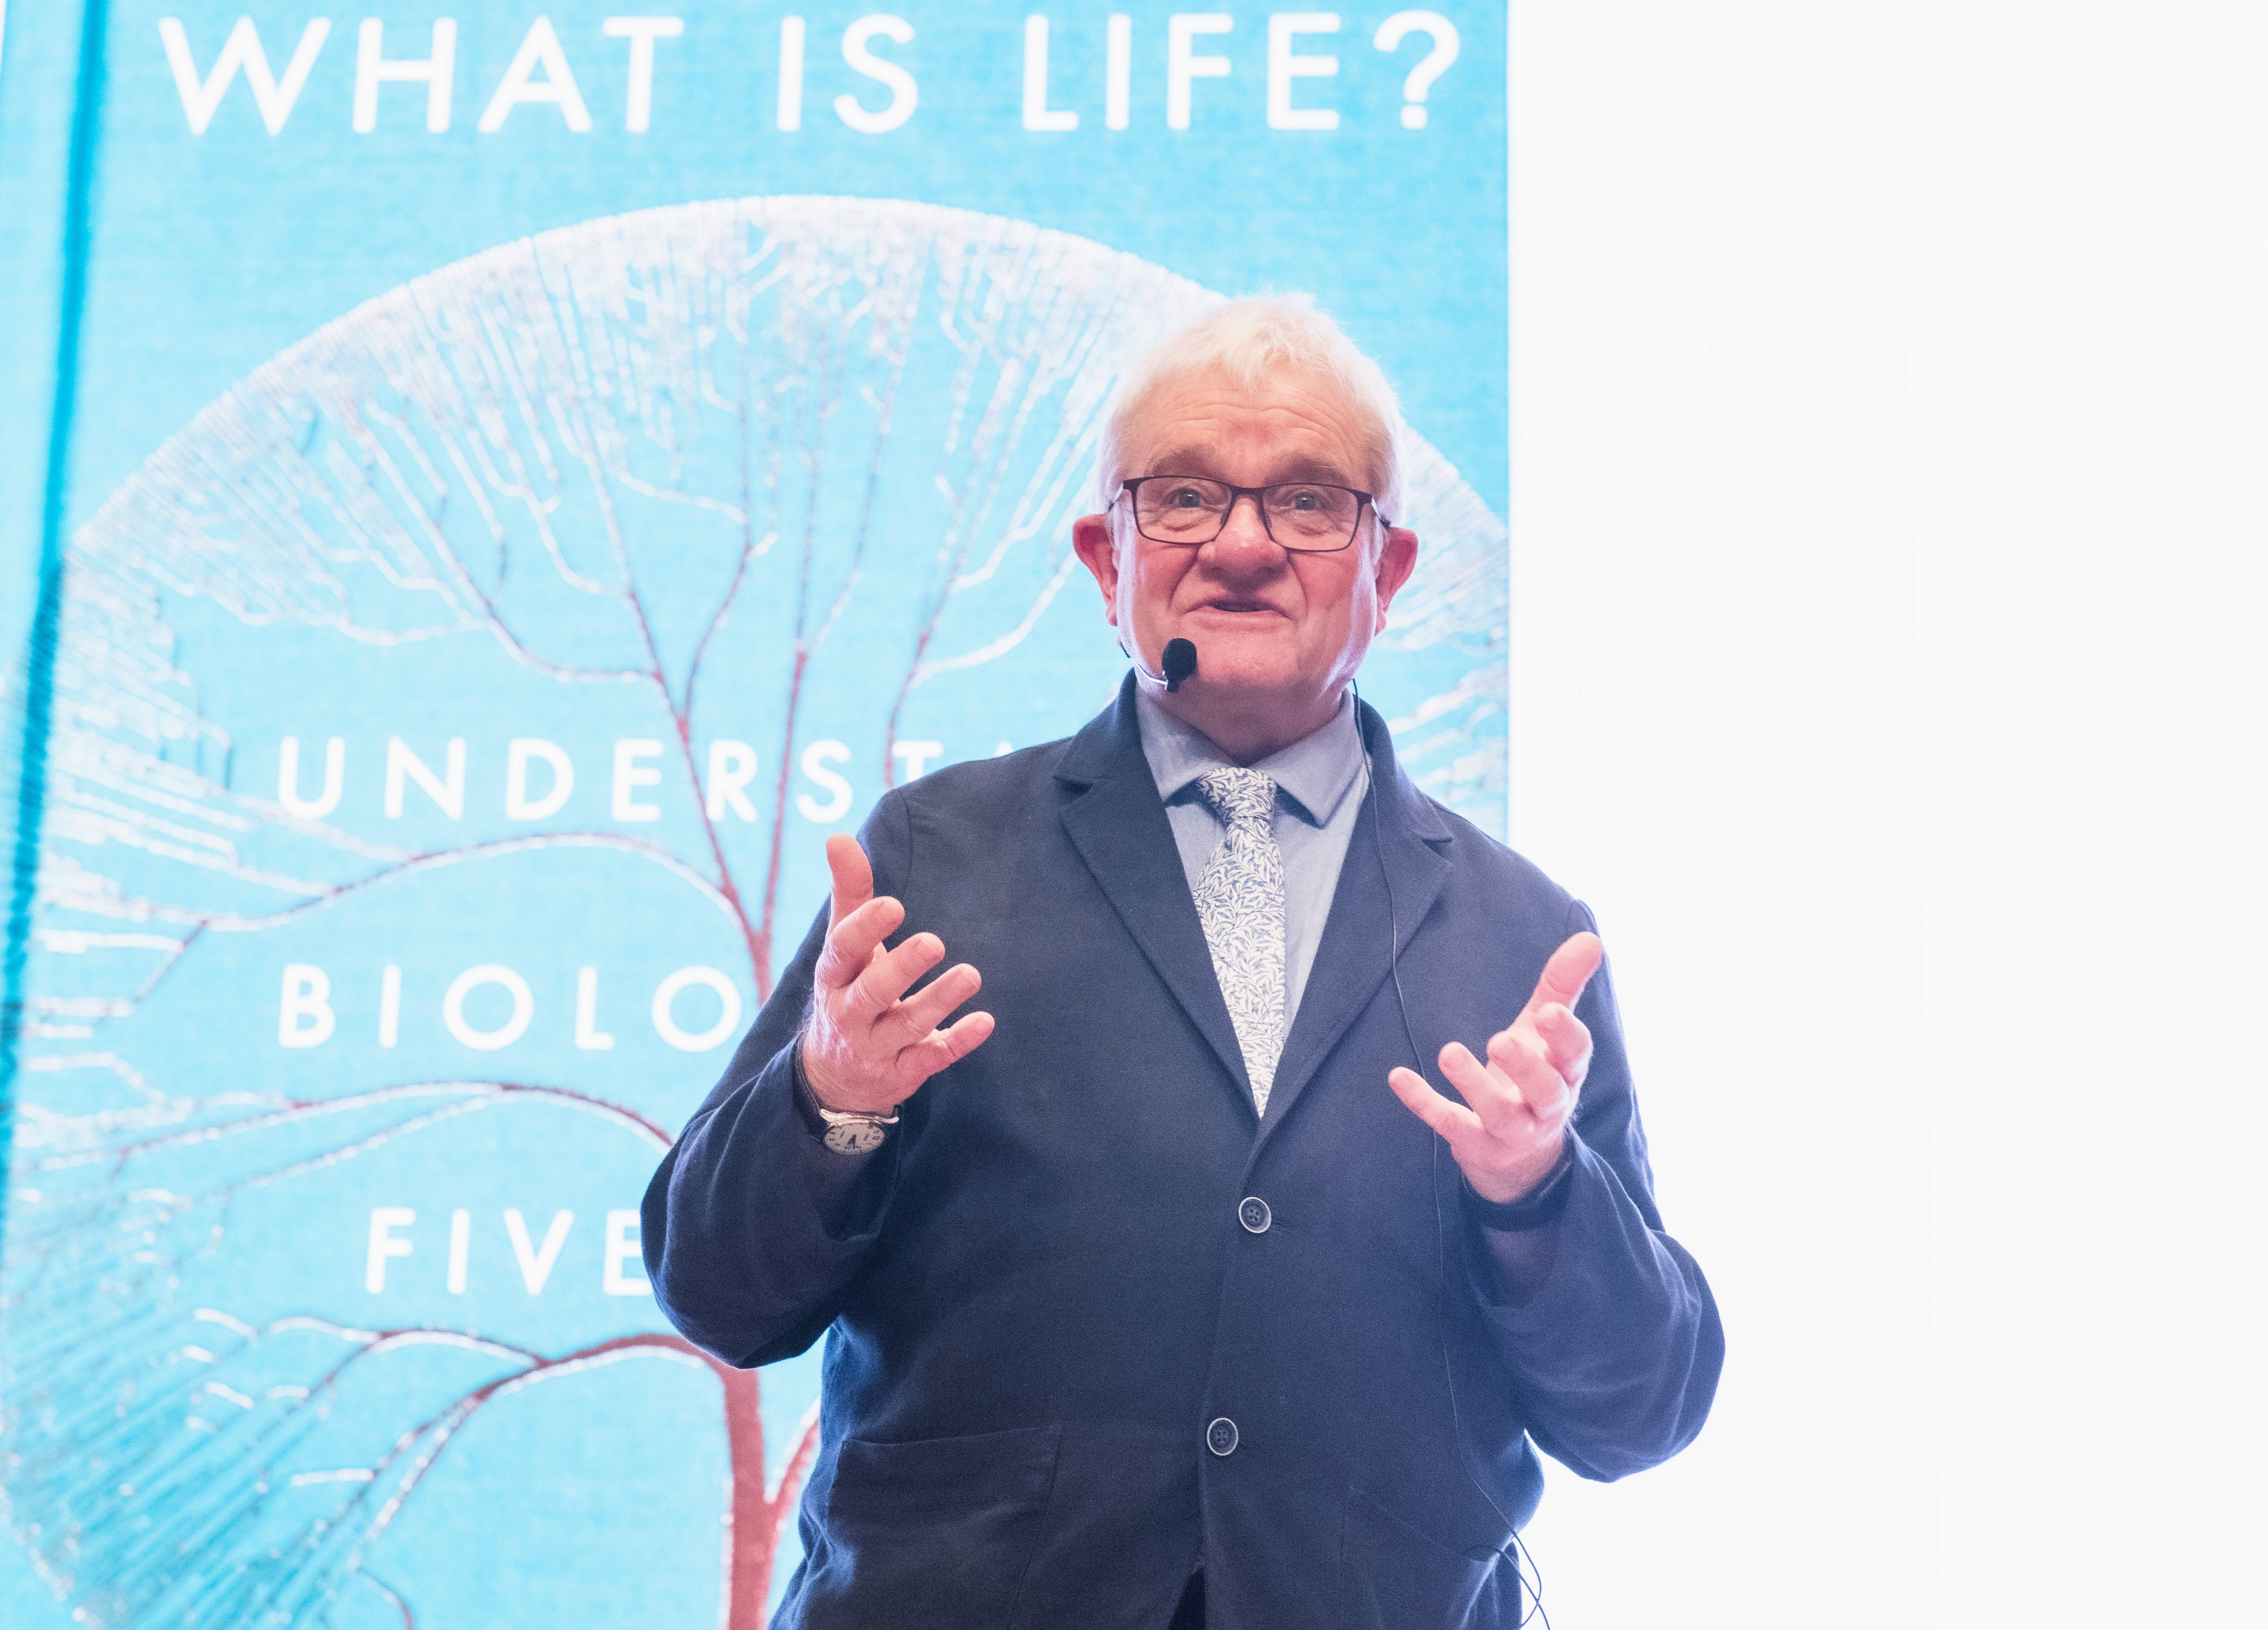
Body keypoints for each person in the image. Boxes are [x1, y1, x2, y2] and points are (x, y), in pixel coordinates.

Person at [642, 297, 1722, 1630]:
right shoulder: (934, 857)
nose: (1246, 547)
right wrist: (832, 1098)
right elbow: (717, 1292)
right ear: (1108, 559)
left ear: (1387, 572)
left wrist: (1535, 1193)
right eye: (1187, 500)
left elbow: (1643, 1411)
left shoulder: (1521, 938)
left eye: (1312, 503)